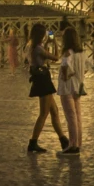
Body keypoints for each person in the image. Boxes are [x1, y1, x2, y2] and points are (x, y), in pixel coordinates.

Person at [26, 25, 67, 154]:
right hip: (43, 80)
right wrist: (54, 41)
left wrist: (47, 42)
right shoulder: (38, 48)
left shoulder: (32, 46)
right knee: (43, 113)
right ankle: (33, 142)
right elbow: (56, 57)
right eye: (44, 34)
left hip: (42, 80)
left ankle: (63, 140)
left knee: (54, 110)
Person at [56, 25, 89, 155]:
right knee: (78, 116)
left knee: (70, 117)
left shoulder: (68, 52)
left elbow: (65, 67)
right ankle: (78, 143)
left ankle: (72, 145)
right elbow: (86, 68)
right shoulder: (82, 53)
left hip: (68, 87)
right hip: (78, 87)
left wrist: (66, 75)